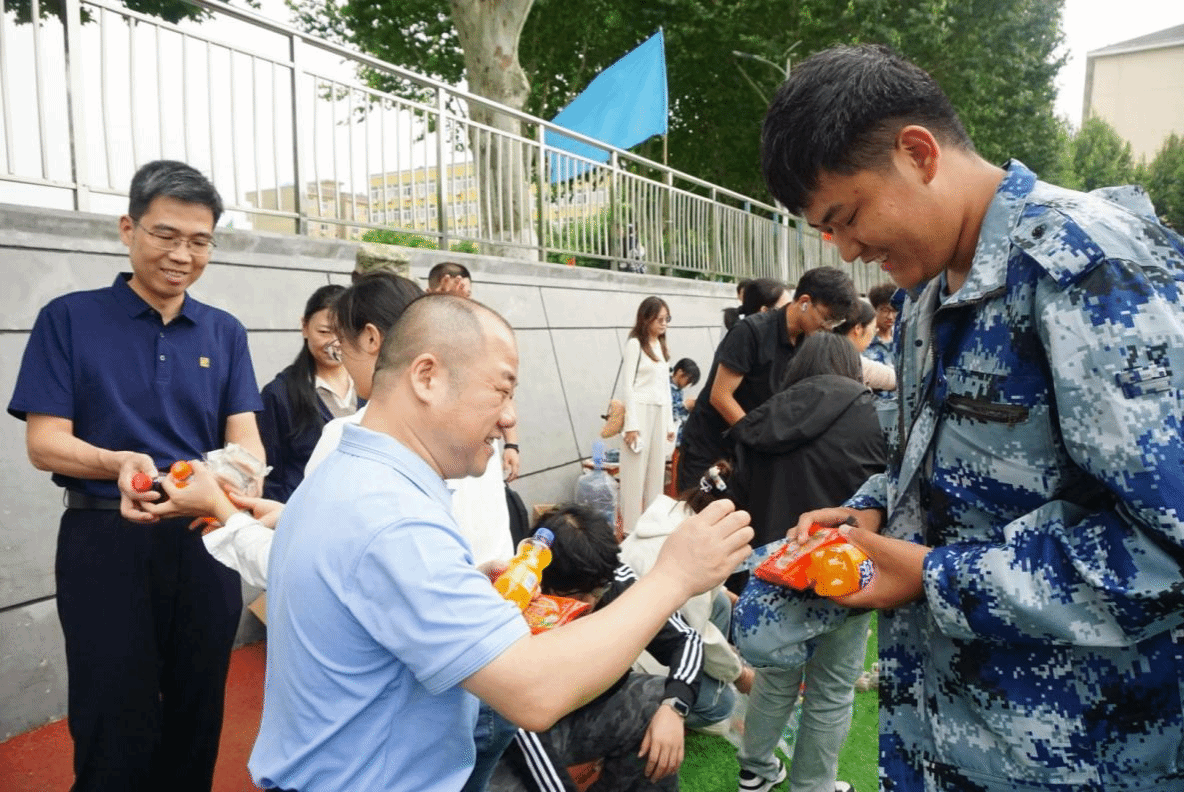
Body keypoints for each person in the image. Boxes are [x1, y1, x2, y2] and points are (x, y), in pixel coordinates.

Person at [765, 44, 1184, 791]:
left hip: (1083, 757)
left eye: (848, 217)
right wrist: (873, 508)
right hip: (947, 741)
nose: (848, 251)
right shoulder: (927, 293)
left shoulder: (1092, 268)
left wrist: (932, 577)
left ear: (918, 154)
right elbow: (942, 464)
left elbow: (1168, 544)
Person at [247, 294, 754, 792]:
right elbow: (533, 692)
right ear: (427, 377)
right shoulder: (394, 518)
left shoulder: (353, 474)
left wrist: (466, 585)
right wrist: (672, 578)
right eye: (501, 390)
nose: (510, 417)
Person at [7, 160, 265, 792]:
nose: (182, 255)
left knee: (197, 713)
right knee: (111, 718)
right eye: (165, 235)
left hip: (204, 540)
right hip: (105, 542)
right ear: (129, 229)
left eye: (199, 241)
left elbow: (246, 440)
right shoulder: (69, 318)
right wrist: (117, 461)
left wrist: (238, 476)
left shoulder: (224, 332)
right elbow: (44, 443)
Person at [727, 332, 886, 792]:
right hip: (842, 575)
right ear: (851, 369)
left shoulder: (763, 417)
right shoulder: (871, 415)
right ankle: (812, 786)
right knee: (831, 690)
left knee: (775, 680)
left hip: (773, 574)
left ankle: (754, 769)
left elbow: (743, 501)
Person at [492, 502, 706, 792]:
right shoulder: (516, 600)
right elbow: (516, 725)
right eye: (577, 595)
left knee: (656, 699)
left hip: (588, 714)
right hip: (517, 731)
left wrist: (674, 708)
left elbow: (686, 638)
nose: (590, 602)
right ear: (542, 580)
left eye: (597, 590)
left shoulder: (612, 579)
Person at [675, 266, 858, 493]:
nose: (827, 328)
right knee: (701, 511)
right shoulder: (752, 331)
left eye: (834, 324)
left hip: (747, 453)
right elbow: (720, 396)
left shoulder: (808, 344)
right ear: (804, 301)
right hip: (709, 449)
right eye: (826, 318)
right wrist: (759, 438)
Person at [621, 462, 756, 733]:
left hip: (640, 623)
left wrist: (725, 594)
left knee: (720, 604)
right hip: (632, 658)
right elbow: (694, 635)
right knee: (721, 705)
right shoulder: (692, 555)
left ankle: (707, 675)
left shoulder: (673, 515)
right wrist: (739, 674)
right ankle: (653, 718)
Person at [258, 283, 359, 501]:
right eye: (324, 332)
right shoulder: (278, 394)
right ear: (304, 327)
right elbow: (270, 476)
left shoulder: (371, 386)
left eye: (344, 333)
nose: (335, 342)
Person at [619, 296, 677, 535]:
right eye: (659, 319)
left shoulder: (661, 347)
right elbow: (627, 386)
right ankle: (630, 530)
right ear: (646, 318)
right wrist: (631, 425)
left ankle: (651, 526)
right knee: (634, 474)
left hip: (660, 411)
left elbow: (666, 388)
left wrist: (670, 424)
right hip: (640, 411)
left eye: (667, 319)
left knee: (656, 472)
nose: (664, 324)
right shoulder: (635, 344)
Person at [833, 298, 895, 393]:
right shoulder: (849, 361)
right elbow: (891, 378)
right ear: (858, 328)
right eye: (874, 329)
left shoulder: (826, 349)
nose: (874, 334)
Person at [863, 282, 897, 369]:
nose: (890, 316)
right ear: (874, 310)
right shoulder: (864, 342)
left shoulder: (900, 340)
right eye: (885, 310)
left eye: (894, 311)